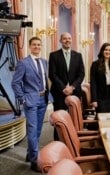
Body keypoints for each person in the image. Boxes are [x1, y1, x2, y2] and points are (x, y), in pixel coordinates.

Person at [11, 37, 52, 172]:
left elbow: (46, 81)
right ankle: (35, 161)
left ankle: (30, 153)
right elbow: (15, 83)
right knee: (33, 130)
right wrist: (22, 99)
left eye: (39, 45)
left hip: (43, 99)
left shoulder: (44, 62)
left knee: (38, 129)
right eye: (34, 44)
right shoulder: (23, 63)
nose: (37, 47)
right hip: (30, 101)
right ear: (29, 46)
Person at [48, 32, 85, 140]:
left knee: (74, 118)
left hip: (75, 93)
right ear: (60, 41)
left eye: (69, 38)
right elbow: (52, 74)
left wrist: (72, 87)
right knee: (59, 119)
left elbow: (81, 74)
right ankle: (58, 141)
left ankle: (73, 141)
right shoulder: (54, 55)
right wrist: (64, 88)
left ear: (72, 40)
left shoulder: (78, 56)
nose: (67, 40)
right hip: (59, 92)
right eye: (64, 39)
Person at [90, 42, 110, 112]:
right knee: (102, 118)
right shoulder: (95, 64)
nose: (108, 52)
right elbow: (93, 83)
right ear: (102, 51)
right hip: (101, 96)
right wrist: (94, 100)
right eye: (106, 50)